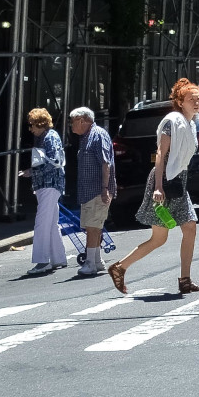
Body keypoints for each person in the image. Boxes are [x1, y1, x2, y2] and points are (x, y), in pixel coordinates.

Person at [109, 78, 199, 296]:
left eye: (198, 99)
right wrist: (158, 187)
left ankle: (184, 280)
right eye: (191, 99)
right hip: (165, 181)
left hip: (178, 181)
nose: (196, 103)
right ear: (180, 102)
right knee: (160, 238)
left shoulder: (191, 124)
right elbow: (161, 154)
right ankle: (119, 267)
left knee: (188, 228)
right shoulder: (171, 121)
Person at [68, 107, 116, 277]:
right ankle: (96, 261)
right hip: (90, 191)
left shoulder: (97, 135)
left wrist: (104, 189)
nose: (71, 126)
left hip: (96, 190)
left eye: (73, 122)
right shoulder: (87, 137)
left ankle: (90, 263)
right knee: (93, 226)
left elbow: (105, 163)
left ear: (82, 120)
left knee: (92, 226)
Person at [24, 108, 66, 276]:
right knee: (51, 222)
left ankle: (42, 261)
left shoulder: (48, 138)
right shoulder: (47, 137)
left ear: (40, 124)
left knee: (42, 223)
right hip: (49, 184)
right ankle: (58, 258)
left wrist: (31, 172)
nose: (30, 129)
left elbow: (54, 162)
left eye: (32, 125)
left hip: (49, 184)